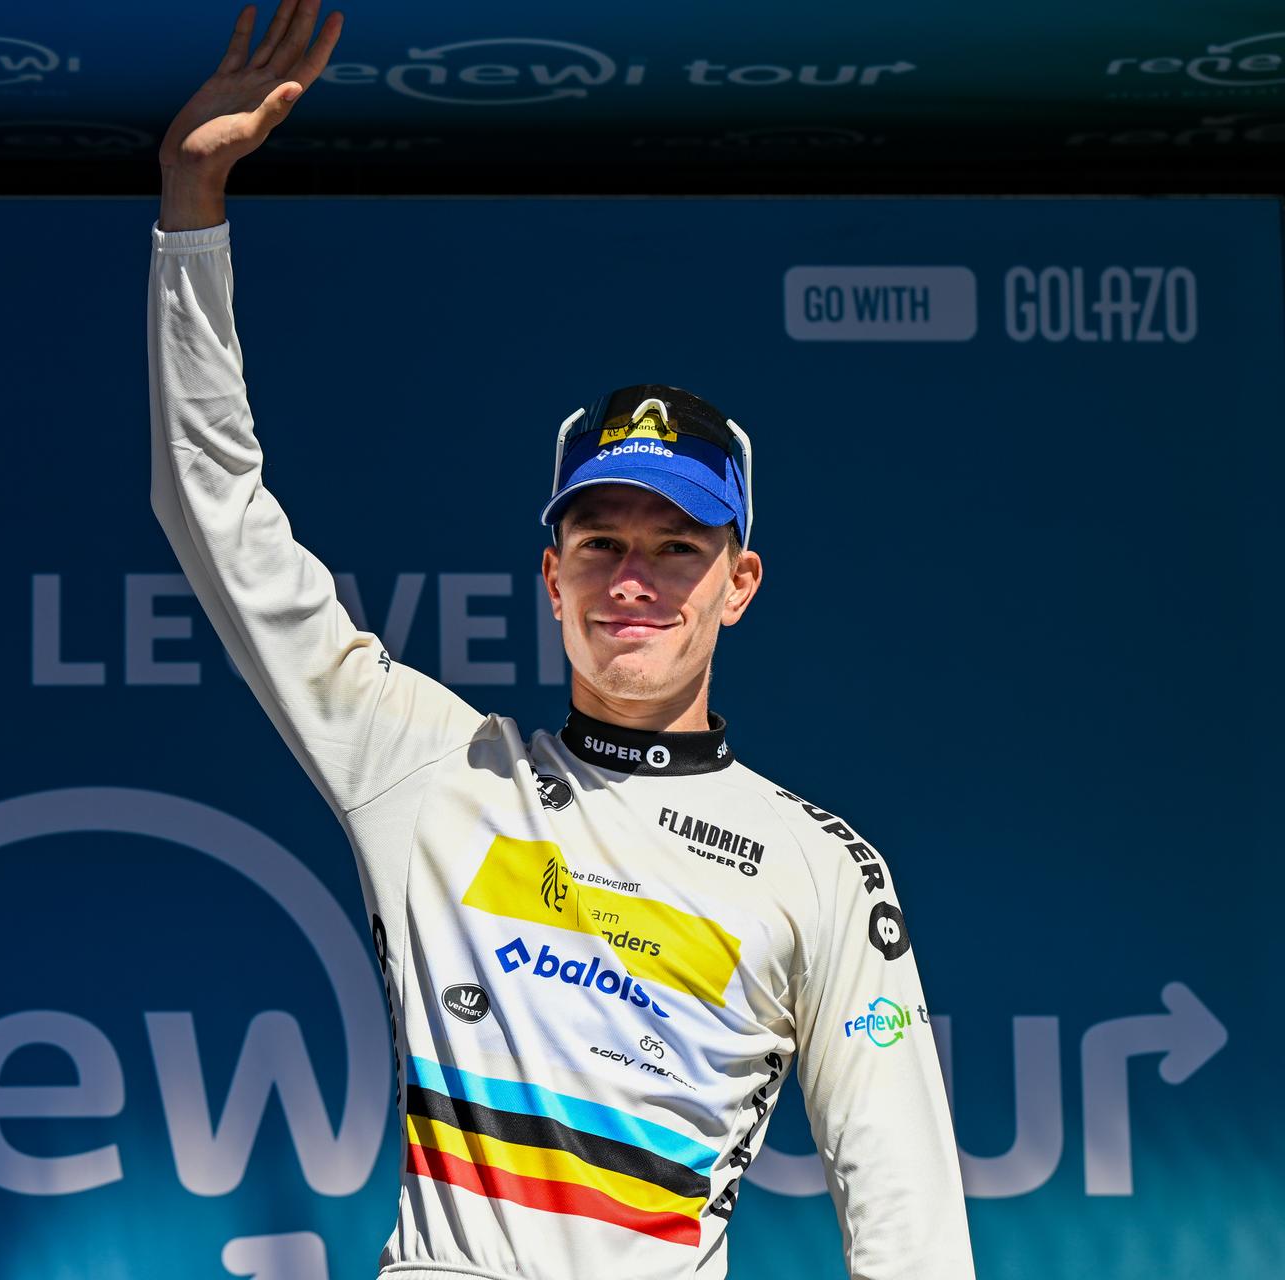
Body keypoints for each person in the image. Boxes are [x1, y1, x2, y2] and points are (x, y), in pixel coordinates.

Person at [148, 4, 975, 1277]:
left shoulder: (821, 870)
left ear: (738, 582)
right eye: (598, 544)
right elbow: (216, 516)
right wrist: (192, 204)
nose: (632, 581)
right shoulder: (427, 767)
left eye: (675, 547)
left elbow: (912, 1227)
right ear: (550, 573)